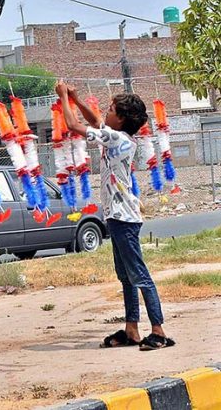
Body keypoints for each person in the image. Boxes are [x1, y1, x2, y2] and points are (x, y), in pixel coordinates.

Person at [55, 80, 175, 351]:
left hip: (124, 217)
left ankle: (158, 330)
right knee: (126, 276)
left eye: (111, 109)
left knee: (139, 275)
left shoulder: (118, 139)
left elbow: (75, 126)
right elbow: (96, 120)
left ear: (121, 119)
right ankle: (131, 329)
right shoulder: (118, 134)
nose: (106, 113)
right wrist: (75, 99)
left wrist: (63, 96)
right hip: (117, 216)